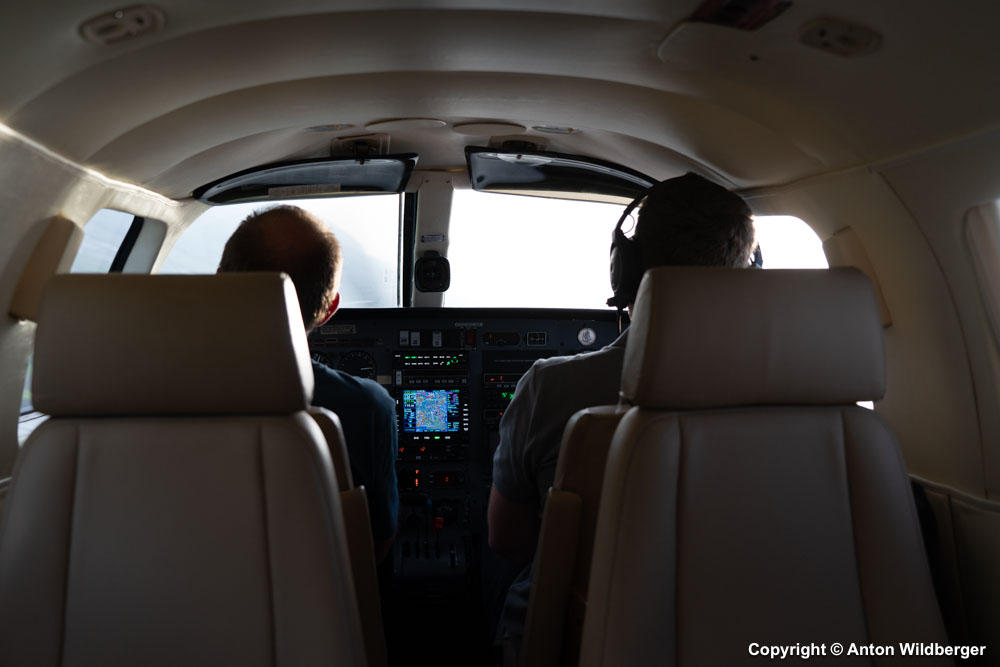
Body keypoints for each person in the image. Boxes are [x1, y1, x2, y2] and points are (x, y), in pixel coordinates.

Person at [487, 172, 757, 654]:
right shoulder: (799, 396)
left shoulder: (550, 386)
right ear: (746, 273)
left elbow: (507, 537)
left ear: (626, 272)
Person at [218, 204, 398, 561]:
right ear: (330, 308)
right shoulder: (368, 407)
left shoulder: (143, 391)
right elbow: (373, 546)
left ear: (220, 279)